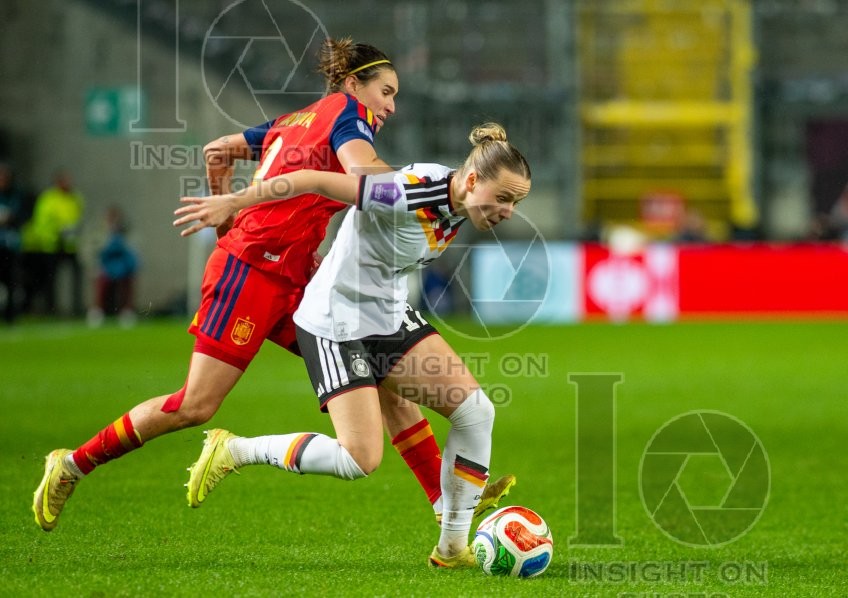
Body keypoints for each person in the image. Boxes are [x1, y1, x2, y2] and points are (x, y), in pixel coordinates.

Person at [32, 38, 512, 534]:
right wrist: (419, 189)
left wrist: (226, 215)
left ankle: (443, 503)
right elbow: (363, 174)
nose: (390, 105)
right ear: (353, 84)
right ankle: (72, 465)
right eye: (385, 92)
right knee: (194, 405)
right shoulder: (350, 117)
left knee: (383, 376)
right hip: (252, 276)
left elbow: (216, 151)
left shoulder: (297, 120)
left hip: (299, 278)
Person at [173, 122, 532, 567]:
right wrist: (236, 200)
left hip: (386, 315)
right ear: (473, 180)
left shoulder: (461, 201)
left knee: (476, 412)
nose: (509, 211)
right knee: (359, 458)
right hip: (334, 320)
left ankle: (452, 547)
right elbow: (313, 180)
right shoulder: (403, 192)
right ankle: (234, 450)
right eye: (503, 198)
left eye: (516, 203)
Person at [21, 170, 85, 316]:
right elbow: (41, 222)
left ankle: (76, 308)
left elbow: (79, 216)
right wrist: (57, 231)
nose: (69, 184)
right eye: (66, 181)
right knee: (51, 279)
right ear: (58, 182)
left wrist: (73, 230)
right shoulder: (48, 198)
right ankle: (51, 309)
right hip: (52, 245)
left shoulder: (76, 197)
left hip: (71, 244)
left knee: (76, 276)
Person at [87, 206, 140, 328]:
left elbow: (133, 253)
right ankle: (97, 311)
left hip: (123, 267)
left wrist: (129, 267)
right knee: (102, 282)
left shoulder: (127, 233)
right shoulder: (100, 233)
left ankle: (127, 311)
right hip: (106, 267)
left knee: (127, 281)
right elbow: (94, 252)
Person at [0, 162, 25, 324]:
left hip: (10, 245)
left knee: (10, 281)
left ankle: (10, 316)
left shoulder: (16, 195)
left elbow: (19, 215)